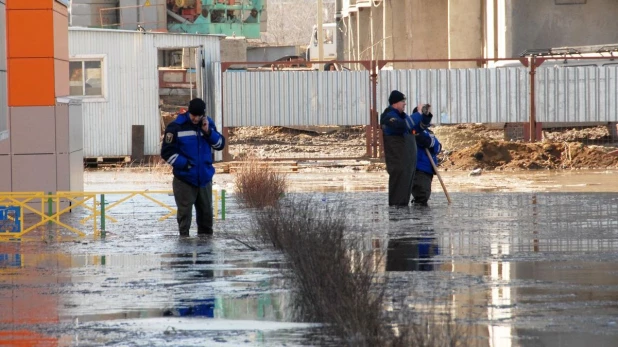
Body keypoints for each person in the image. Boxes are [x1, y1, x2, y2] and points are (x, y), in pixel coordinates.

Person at [161, 98, 226, 237]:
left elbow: (220, 144)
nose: (195, 118)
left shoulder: (207, 124)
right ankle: (184, 246)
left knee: (206, 215)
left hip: (204, 178)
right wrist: (185, 164)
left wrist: (208, 132)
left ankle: (206, 248)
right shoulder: (176, 126)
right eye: (193, 115)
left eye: (198, 116)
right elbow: (167, 152)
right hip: (184, 178)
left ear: (203, 114)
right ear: (188, 112)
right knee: (185, 215)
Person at [380, 90, 418, 207]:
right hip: (398, 162)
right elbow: (402, 126)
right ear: (395, 103)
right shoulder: (389, 116)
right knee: (398, 193)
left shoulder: (402, 116)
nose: (405, 104)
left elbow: (416, 128)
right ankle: (396, 218)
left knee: (404, 191)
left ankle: (402, 216)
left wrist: (425, 117)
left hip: (407, 164)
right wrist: (417, 114)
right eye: (402, 101)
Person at [411, 104, 442, 206]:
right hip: (419, 170)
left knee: (424, 195)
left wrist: (431, 143)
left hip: (427, 170)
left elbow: (437, 147)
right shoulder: (414, 131)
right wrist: (422, 139)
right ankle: (420, 220)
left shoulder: (429, 132)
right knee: (422, 196)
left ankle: (421, 216)